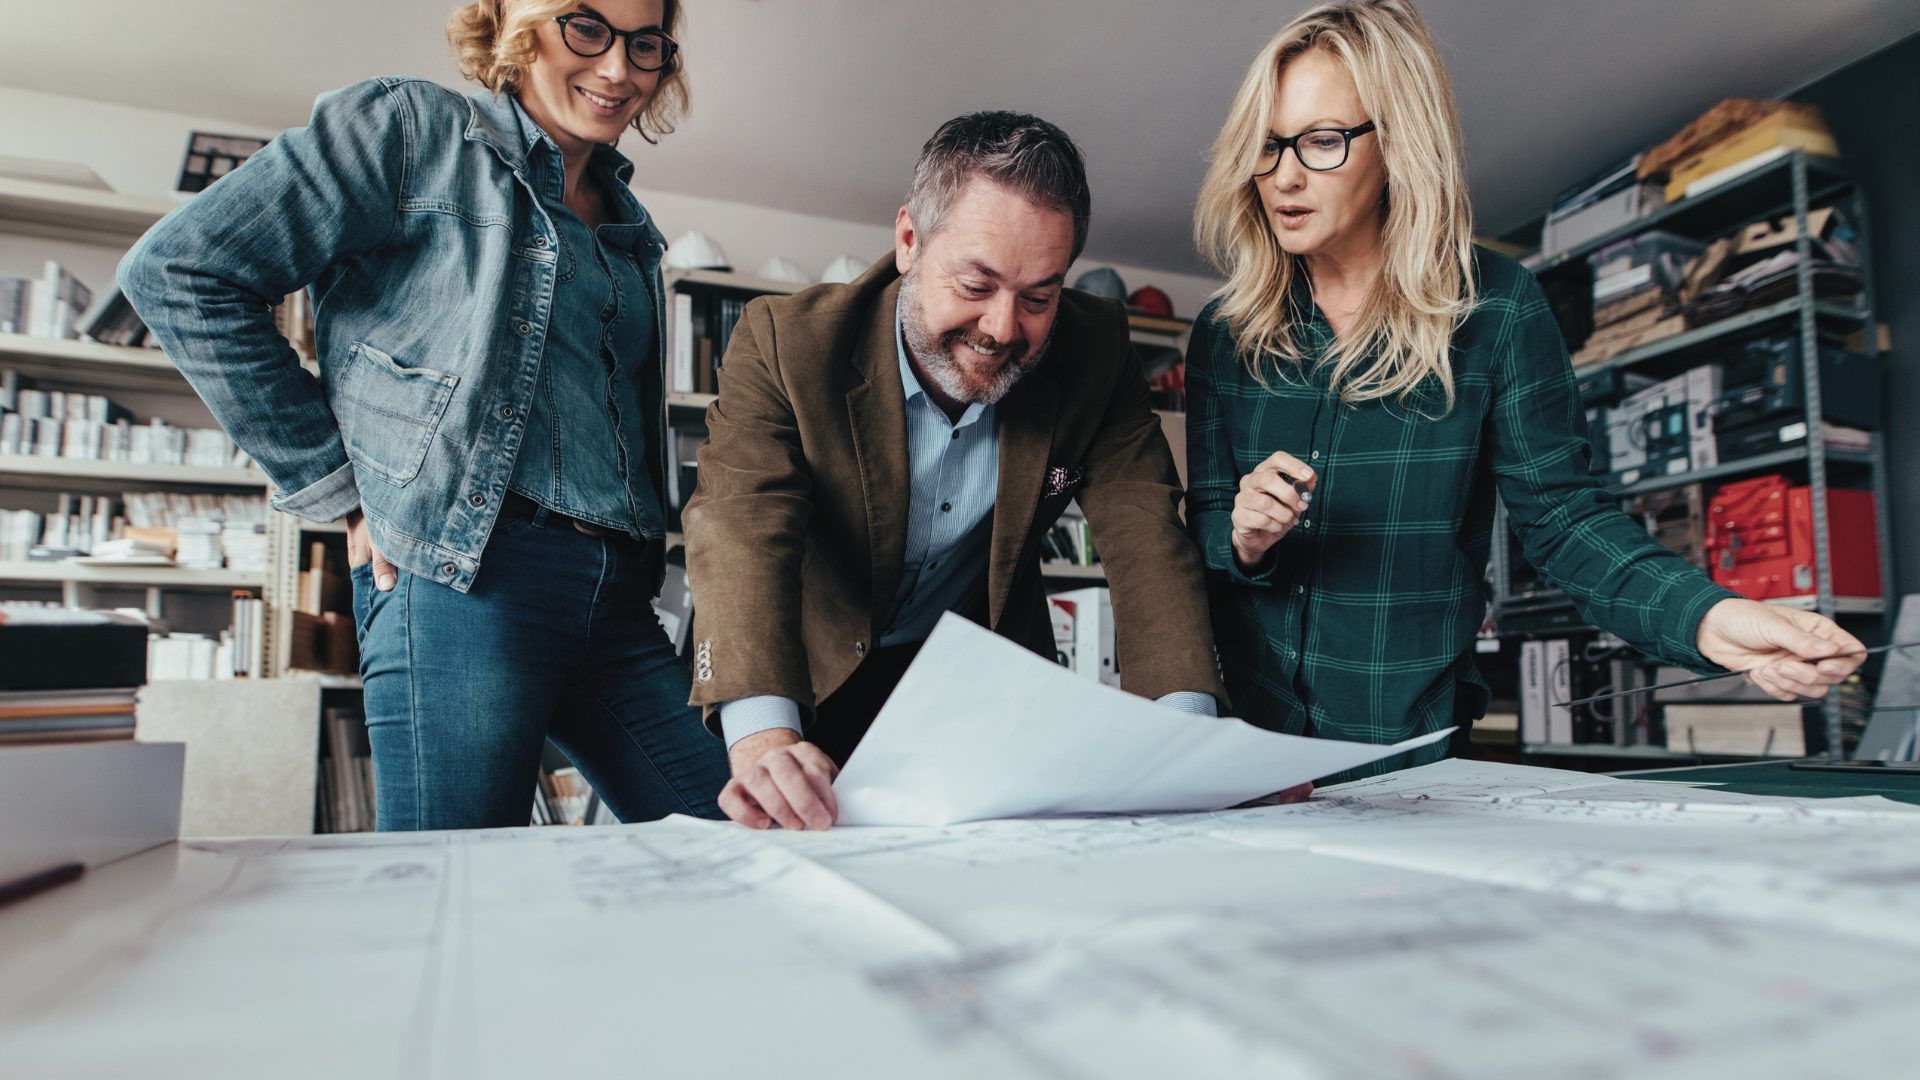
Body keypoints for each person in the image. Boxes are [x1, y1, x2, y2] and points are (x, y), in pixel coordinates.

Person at [1184, 0, 1866, 778]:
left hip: (1410, 756)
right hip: (1250, 750)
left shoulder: (1497, 307)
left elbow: (1565, 520)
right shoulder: (1224, 332)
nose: (1286, 175)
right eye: (1268, 146)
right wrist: (1242, 535)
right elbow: (1203, 520)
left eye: (1323, 141)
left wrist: (1708, 618)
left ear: (1399, 143)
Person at [117, 0, 729, 829]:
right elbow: (179, 272)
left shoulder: (630, 229)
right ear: (517, 23)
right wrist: (334, 487)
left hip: (617, 596)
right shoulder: (410, 132)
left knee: (739, 832)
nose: (620, 69)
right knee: (457, 885)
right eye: (586, 28)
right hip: (468, 579)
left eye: (645, 44)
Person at [683, 112, 1247, 831]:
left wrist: (1185, 736)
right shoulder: (783, 342)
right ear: (909, 240)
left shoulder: (1095, 353)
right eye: (976, 284)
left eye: (1039, 296)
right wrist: (765, 738)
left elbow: (1148, 545)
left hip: (967, 692)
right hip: (799, 672)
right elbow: (740, 526)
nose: (1003, 329)